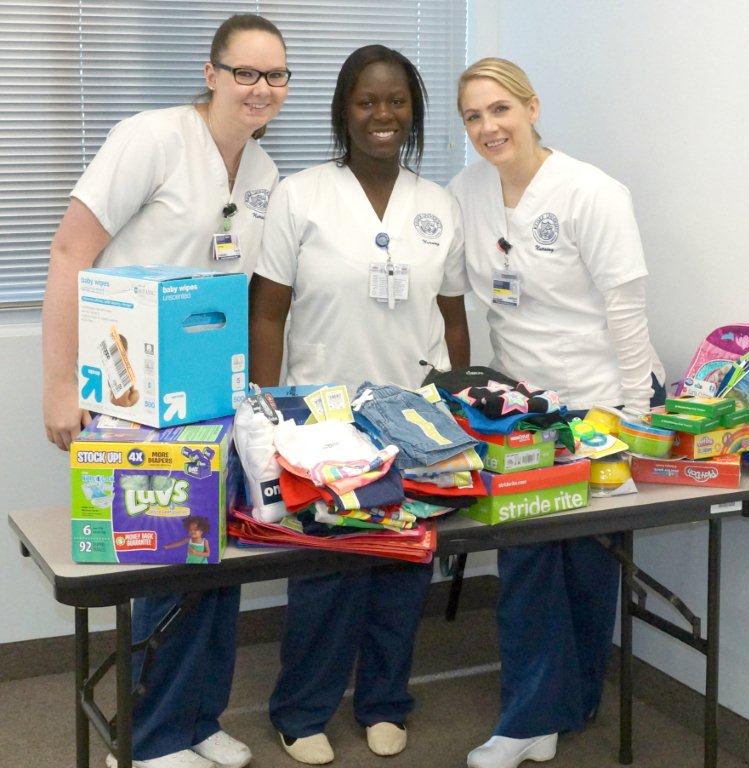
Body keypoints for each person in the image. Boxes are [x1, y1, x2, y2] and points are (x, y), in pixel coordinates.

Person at [41, 14, 289, 768]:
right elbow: (68, 249)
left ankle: (193, 717)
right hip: (126, 391)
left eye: (275, 75)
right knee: (162, 558)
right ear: (211, 73)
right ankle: (145, 743)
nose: (260, 88)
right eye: (245, 72)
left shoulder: (263, 174)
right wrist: (57, 385)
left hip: (208, 395)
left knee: (210, 560)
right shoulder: (148, 139)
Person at [249, 44, 469, 765]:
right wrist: (264, 408)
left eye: (396, 101)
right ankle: (301, 711)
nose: (382, 114)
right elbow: (268, 312)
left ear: (413, 113)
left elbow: (454, 316)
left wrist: (455, 410)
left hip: (410, 415)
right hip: (320, 418)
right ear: (344, 111)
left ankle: (383, 701)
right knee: (324, 574)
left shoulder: (437, 206)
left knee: (402, 567)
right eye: (366, 101)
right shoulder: (300, 194)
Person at [449, 58, 666, 768]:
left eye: (499, 110)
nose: (487, 127)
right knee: (528, 561)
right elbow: (457, 293)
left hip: (596, 401)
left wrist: (634, 414)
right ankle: (528, 718)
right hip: (520, 409)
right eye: (473, 116)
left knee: (587, 563)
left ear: (531, 107)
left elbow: (625, 309)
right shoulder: (466, 192)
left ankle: (566, 707)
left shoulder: (591, 193)